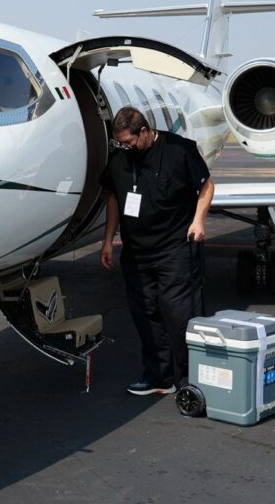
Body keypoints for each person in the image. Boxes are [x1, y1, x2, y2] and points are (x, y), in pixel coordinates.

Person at [100, 106, 214, 396]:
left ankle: (189, 379)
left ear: (145, 131)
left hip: (174, 250)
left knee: (179, 315)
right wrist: (107, 240)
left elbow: (206, 186)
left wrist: (198, 220)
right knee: (146, 316)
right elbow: (113, 197)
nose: (125, 147)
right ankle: (158, 377)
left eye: (129, 141)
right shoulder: (119, 161)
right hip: (137, 254)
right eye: (120, 142)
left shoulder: (180, 150)